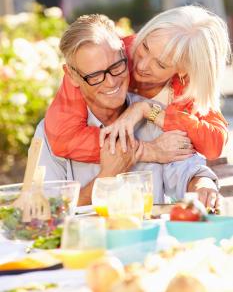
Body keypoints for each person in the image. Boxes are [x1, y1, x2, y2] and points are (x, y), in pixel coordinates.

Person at [35, 14, 218, 207]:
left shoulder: (154, 115)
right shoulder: (50, 134)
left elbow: (189, 170)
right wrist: (109, 175)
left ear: (125, 54)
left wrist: (202, 186)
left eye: (116, 67)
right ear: (72, 76)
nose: (111, 82)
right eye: (96, 76)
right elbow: (49, 211)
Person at [45, 5, 230, 164]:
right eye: (145, 47)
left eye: (160, 64)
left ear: (183, 70)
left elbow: (214, 144)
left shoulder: (187, 84)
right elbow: (64, 138)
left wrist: (147, 110)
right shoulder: (108, 57)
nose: (141, 65)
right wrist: (145, 150)